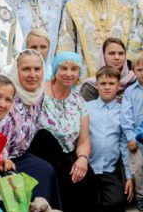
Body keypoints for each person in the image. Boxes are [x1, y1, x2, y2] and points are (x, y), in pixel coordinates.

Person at [32, 52, 97, 208]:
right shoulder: (39, 93)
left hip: (68, 155)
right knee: (64, 176)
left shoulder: (79, 101)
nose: (69, 73)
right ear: (55, 70)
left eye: (74, 69)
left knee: (87, 177)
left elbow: (84, 140)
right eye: (64, 68)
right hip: (42, 152)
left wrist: (82, 159)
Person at [2, 49, 60, 208]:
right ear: (16, 70)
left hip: (20, 154)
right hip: (1, 158)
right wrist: (2, 157)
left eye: (37, 69)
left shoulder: (38, 95)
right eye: (26, 69)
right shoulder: (6, 93)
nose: (32, 74)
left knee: (46, 169)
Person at [87, 66, 134, 212]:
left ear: (118, 86)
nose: (107, 87)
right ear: (96, 85)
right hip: (88, 169)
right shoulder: (86, 108)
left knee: (117, 202)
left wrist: (128, 177)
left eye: (111, 84)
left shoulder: (123, 111)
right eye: (103, 83)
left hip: (109, 170)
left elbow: (124, 145)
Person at [121, 51, 143, 210]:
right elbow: (126, 116)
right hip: (136, 138)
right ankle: (141, 201)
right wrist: (130, 137)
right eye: (139, 70)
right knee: (138, 170)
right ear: (133, 70)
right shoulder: (130, 91)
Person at [79, 37, 137, 102]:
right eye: (112, 53)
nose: (117, 57)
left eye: (121, 53)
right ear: (103, 56)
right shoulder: (91, 86)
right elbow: (85, 111)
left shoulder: (134, 81)